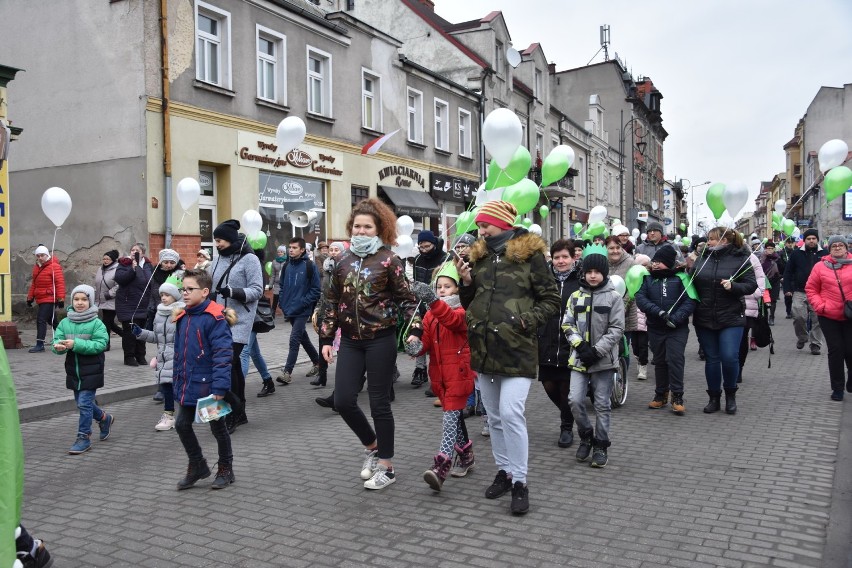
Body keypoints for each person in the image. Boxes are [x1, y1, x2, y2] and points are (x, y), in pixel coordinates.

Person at [456, 200, 560, 515]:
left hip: (517, 349)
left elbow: (552, 298)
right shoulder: (481, 256)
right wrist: (466, 282)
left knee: (512, 413)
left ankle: (520, 483)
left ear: (503, 223)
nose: (480, 230)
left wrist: (524, 321)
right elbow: (471, 299)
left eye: (485, 224)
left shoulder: (530, 257)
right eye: (479, 225)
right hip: (485, 348)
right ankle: (504, 471)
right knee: (495, 417)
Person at [319, 198, 418, 491]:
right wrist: (326, 338)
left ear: (379, 229)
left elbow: (408, 300)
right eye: (357, 227)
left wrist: (414, 330)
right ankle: (372, 446)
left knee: (379, 404)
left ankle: (387, 467)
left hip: (380, 340)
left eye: (367, 227)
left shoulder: (389, 260)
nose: (361, 231)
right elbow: (330, 302)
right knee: (343, 401)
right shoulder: (340, 261)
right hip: (350, 340)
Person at [405, 264, 476, 491]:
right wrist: (416, 346)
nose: (442, 290)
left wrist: (432, 302)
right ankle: (466, 456)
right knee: (455, 419)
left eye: (447, 286)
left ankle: (440, 466)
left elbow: (453, 322)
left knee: (448, 423)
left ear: (457, 289)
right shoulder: (430, 315)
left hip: (459, 375)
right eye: (439, 287)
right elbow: (425, 341)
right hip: (440, 377)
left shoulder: (463, 310)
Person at [172, 268, 237, 490]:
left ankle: (226, 469)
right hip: (189, 385)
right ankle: (198, 465)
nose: (185, 293)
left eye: (190, 289)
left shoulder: (215, 318)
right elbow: (180, 354)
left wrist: (219, 387)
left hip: (208, 387)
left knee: (217, 427)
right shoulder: (183, 316)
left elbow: (222, 356)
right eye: (183, 289)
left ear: (205, 291)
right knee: (181, 424)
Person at [563, 245, 625, 468]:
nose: (592, 275)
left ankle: (600, 444)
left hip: (603, 361)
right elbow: (567, 324)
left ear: (604, 274)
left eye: (597, 272)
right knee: (575, 400)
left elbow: (617, 329)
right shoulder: (575, 297)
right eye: (589, 272)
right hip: (579, 359)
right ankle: (586, 434)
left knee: (601, 404)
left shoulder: (614, 298)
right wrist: (580, 347)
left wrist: (597, 351)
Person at [691, 227, 757, 415]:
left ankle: (730, 395)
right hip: (704, 316)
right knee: (712, 359)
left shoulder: (741, 259)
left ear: (725, 241)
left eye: (712, 240)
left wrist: (733, 286)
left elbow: (751, 285)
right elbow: (691, 282)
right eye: (708, 239)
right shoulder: (702, 259)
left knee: (729, 357)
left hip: (731, 316)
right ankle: (713, 397)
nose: (708, 243)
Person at [209, 220, 264, 433]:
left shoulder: (249, 259)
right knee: (229, 367)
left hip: (239, 320)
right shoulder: (215, 260)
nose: (217, 244)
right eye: (215, 241)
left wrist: (234, 292)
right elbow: (209, 284)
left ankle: (234, 411)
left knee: (227, 362)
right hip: (217, 319)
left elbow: (257, 290)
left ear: (230, 239)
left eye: (220, 240)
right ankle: (238, 411)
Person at [635, 246, 698, 414]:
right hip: (655, 327)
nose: (655, 264)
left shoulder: (682, 278)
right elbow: (640, 298)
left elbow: (690, 300)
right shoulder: (647, 278)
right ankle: (660, 394)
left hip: (676, 328)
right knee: (660, 360)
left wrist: (676, 318)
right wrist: (659, 312)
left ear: (669, 263)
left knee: (675, 359)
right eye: (654, 261)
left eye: (660, 262)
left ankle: (677, 396)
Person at [52, 284, 111, 454]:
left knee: (84, 404)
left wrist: (76, 344)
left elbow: (101, 344)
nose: (79, 303)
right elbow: (57, 341)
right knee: (82, 403)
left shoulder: (96, 323)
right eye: (76, 299)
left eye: (84, 299)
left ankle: (83, 437)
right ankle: (104, 418)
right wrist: (58, 347)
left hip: (92, 369)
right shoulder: (65, 322)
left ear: (90, 301)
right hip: (73, 370)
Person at [536, 238, 581, 448]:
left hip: (570, 340)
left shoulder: (581, 279)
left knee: (565, 387)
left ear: (573, 258)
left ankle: (566, 427)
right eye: (556, 257)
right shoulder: (543, 279)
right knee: (548, 385)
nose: (561, 261)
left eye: (565, 257)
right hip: (546, 338)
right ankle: (568, 416)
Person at [805, 235, 852, 401]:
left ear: (847, 248)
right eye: (834, 246)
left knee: (850, 350)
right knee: (836, 350)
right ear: (829, 249)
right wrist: (820, 306)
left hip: (850, 315)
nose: (837, 248)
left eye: (841, 245)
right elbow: (811, 289)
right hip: (828, 315)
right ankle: (837, 388)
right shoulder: (820, 267)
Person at [133, 280, 184, 431]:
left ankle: (188, 413)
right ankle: (169, 416)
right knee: (167, 386)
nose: (163, 297)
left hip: (178, 356)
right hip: (162, 357)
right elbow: (157, 336)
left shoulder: (182, 312)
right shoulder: (159, 313)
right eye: (161, 294)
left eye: (167, 295)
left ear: (175, 296)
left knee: (180, 387)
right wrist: (141, 333)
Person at [275, 238, 322, 386]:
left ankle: (287, 372)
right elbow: (281, 286)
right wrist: (282, 302)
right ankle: (317, 362)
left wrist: (302, 303)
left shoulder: (309, 266)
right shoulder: (287, 265)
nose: (291, 250)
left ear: (302, 250)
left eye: (294, 247)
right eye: (290, 247)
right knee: (303, 338)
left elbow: (316, 290)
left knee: (294, 339)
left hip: (302, 310)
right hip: (289, 309)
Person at [408, 230, 446, 388]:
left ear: (434, 244)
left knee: (437, 338)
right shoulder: (417, 259)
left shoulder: (444, 258)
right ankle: (420, 369)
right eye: (421, 247)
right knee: (420, 334)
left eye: (427, 246)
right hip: (420, 302)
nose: (424, 250)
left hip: (437, 300)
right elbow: (416, 279)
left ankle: (438, 373)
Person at [784, 228, 827, 355]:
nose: (811, 241)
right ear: (804, 240)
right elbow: (788, 272)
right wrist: (787, 288)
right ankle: (802, 337)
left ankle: (815, 344)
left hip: (818, 292)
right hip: (799, 291)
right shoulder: (796, 254)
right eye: (809, 239)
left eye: (814, 238)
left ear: (817, 240)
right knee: (798, 316)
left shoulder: (824, 253)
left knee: (817, 319)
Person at [114, 243, 153, 366]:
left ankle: (140, 355)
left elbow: (151, 282)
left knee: (142, 332)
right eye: (132, 250)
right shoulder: (124, 264)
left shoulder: (147, 265)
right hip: (128, 304)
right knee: (130, 333)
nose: (134, 252)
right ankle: (129, 357)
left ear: (143, 253)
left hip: (144, 304)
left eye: (137, 250)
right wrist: (133, 268)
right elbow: (120, 279)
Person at [606, 237, 640, 375]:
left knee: (622, 348)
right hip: (603, 314)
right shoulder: (602, 262)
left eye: (617, 247)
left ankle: (621, 380)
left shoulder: (631, 263)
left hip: (625, 315)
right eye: (611, 248)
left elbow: (632, 291)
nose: (615, 251)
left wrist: (619, 309)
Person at [26, 245, 66, 353]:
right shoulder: (37, 267)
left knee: (41, 319)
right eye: (37, 256)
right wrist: (30, 297)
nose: (40, 257)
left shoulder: (54, 266)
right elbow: (34, 283)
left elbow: (60, 283)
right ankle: (64, 338)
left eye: (42, 255)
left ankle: (40, 344)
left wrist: (61, 298)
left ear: (47, 255)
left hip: (50, 298)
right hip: (41, 297)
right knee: (52, 320)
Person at [737, 251, 766, 382]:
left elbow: (760, 277)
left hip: (748, 304)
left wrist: (757, 292)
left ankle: (738, 369)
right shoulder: (717, 256)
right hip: (726, 305)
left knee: (742, 338)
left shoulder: (750, 257)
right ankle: (730, 367)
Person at [93, 249, 122, 351]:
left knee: (106, 323)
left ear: (113, 260)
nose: (105, 261)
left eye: (108, 259)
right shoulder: (100, 269)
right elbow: (98, 283)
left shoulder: (117, 269)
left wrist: (109, 294)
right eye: (104, 259)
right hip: (101, 300)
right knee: (109, 323)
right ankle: (126, 335)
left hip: (111, 300)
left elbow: (119, 285)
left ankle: (106, 344)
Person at [760, 241, 782, 325]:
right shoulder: (762, 258)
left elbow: (782, 268)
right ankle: (764, 316)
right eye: (768, 248)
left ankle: (772, 316)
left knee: (773, 300)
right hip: (764, 281)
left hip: (775, 281)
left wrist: (781, 276)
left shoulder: (778, 258)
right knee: (764, 299)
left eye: (771, 248)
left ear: (774, 249)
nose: (769, 250)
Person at [778, 237, 794, 318]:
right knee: (787, 295)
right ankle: (788, 311)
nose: (790, 244)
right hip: (785, 277)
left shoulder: (796, 252)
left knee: (795, 295)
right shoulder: (781, 253)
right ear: (785, 243)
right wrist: (781, 276)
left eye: (791, 242)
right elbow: (779, 266)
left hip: (794, 277)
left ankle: (794, 311)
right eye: (788, 242)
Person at [270, 245, 287, 317]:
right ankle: (272, 313)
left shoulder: (287, 261)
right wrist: (270, 285)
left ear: (284, 253)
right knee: (275, 299)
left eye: (281, 252)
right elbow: (273, 274)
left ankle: (286, 314)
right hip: (277, 284)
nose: (279, 253)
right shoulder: (274, 262)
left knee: (284, 299)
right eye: (278, 252)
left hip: (285, 284)